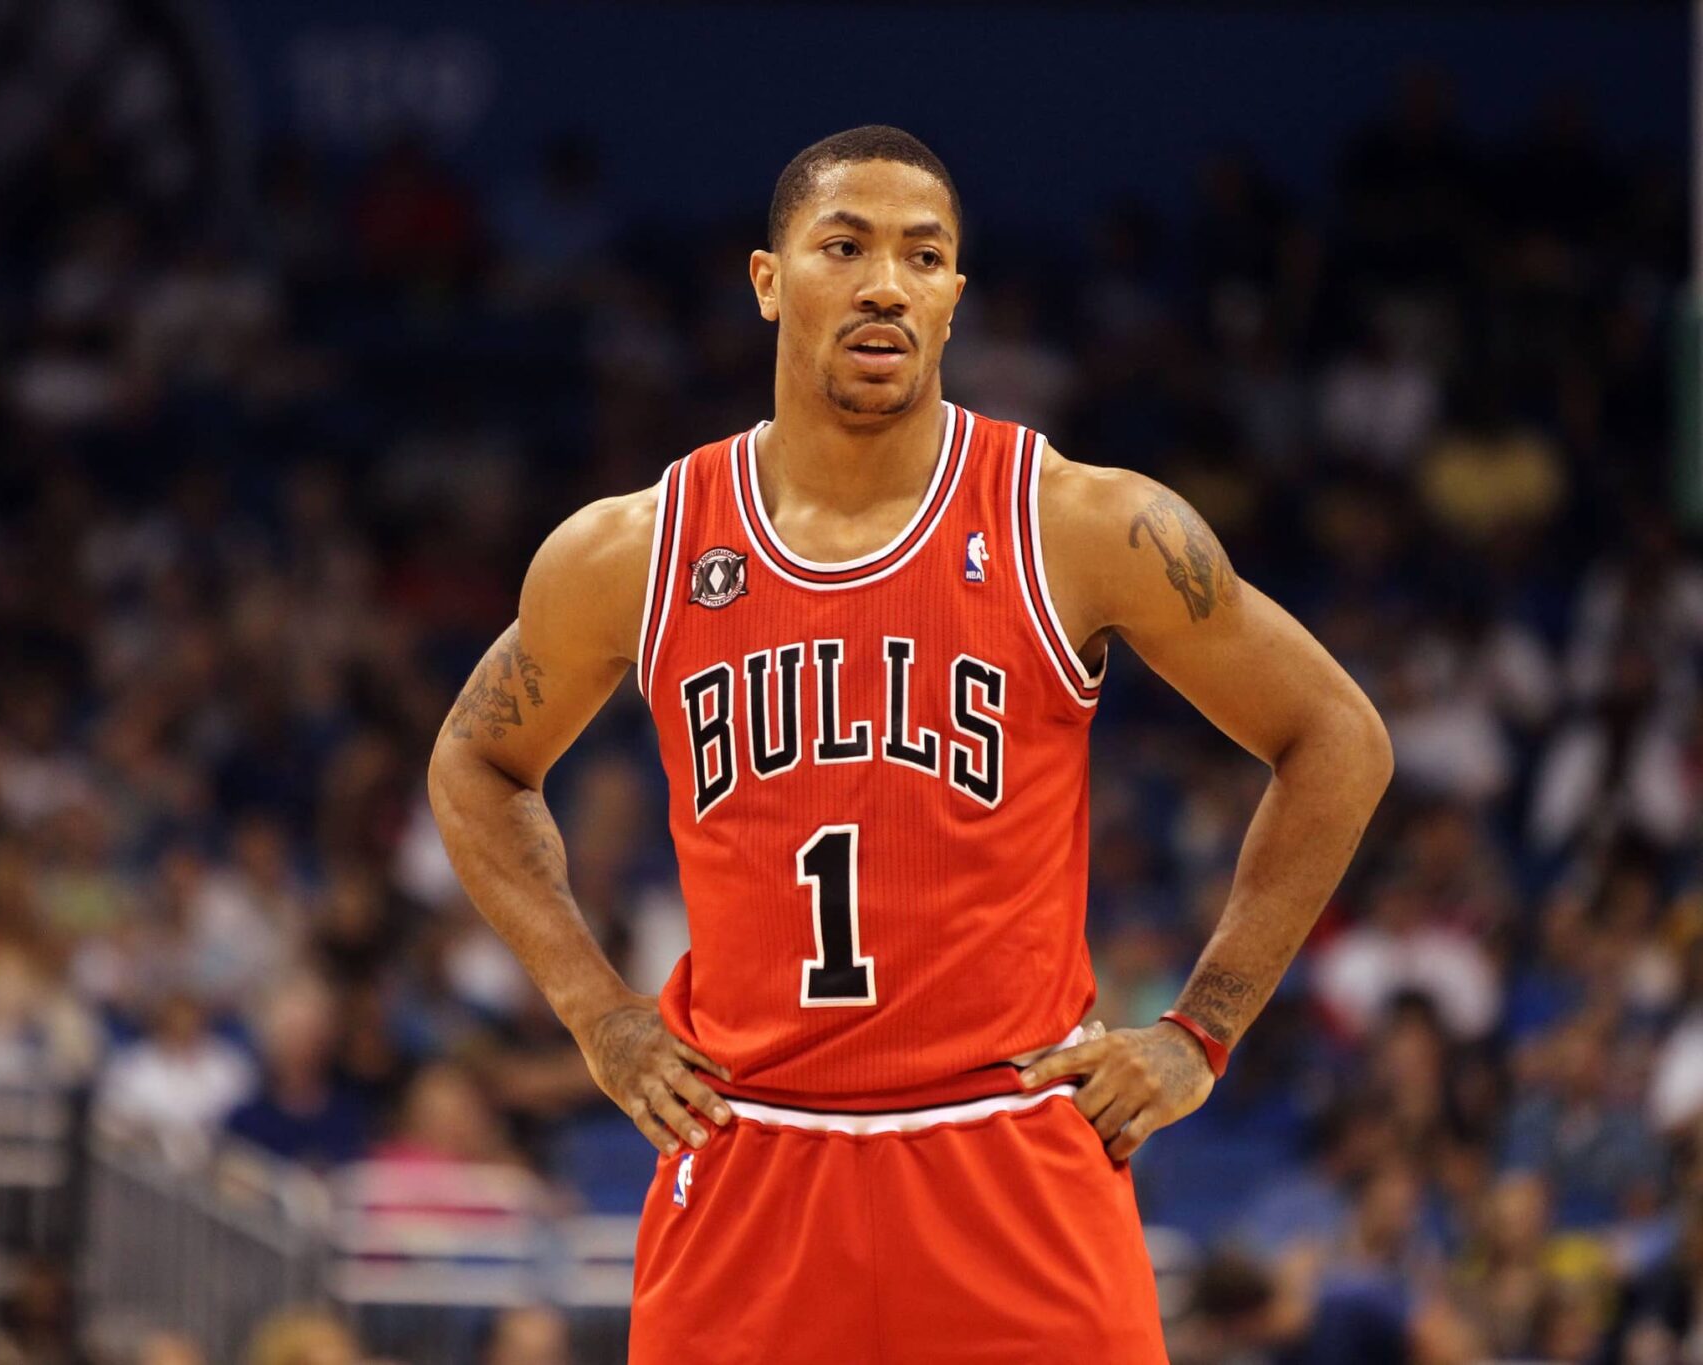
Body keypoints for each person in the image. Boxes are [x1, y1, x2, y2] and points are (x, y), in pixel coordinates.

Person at [427, 125, 1393, 1363]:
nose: (885, 282)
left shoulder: (1078, 523)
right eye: (844, 246)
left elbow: (1335, 737)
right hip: (749, 1154)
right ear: (767, 280)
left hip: (1008, 1147)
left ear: (951, 296)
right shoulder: (635, 548)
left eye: (922, 256)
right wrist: (597, 1014)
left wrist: (1198, 1032)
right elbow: (473, 763)